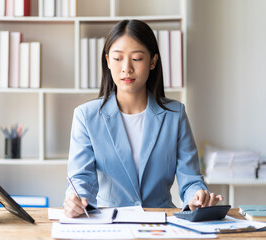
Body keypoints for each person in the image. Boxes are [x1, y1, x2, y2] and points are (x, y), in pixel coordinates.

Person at [64, 19, 223, 218]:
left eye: (137, 58)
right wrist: (75, 199)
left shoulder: (175, 115)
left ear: (153, 62)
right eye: (118, 58)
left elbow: (191, 180)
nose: (126, 68)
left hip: (160, 223)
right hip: (109, 224)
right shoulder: (86, 116)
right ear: (107, 61)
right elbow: (80, 180)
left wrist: (197, 197)